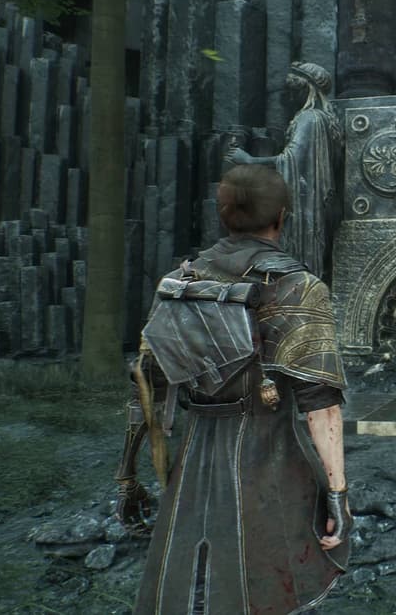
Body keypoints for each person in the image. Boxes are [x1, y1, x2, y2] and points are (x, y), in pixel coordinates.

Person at [114, 165, 352, 614]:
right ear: (281, 217)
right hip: (271, 464)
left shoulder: (180, 282)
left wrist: (127, 478)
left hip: (192, 465)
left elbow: (146, 384)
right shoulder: (297, 288)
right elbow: (321, 406)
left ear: (223, 216)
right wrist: (338, 495)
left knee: (183, 590)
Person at [227, 62, 343, 284]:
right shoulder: (319, 119)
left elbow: (292, 159)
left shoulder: (310, 118)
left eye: (293, 90)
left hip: (305, 204)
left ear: (306, 89)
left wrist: (250, 160)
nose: (288, 98)